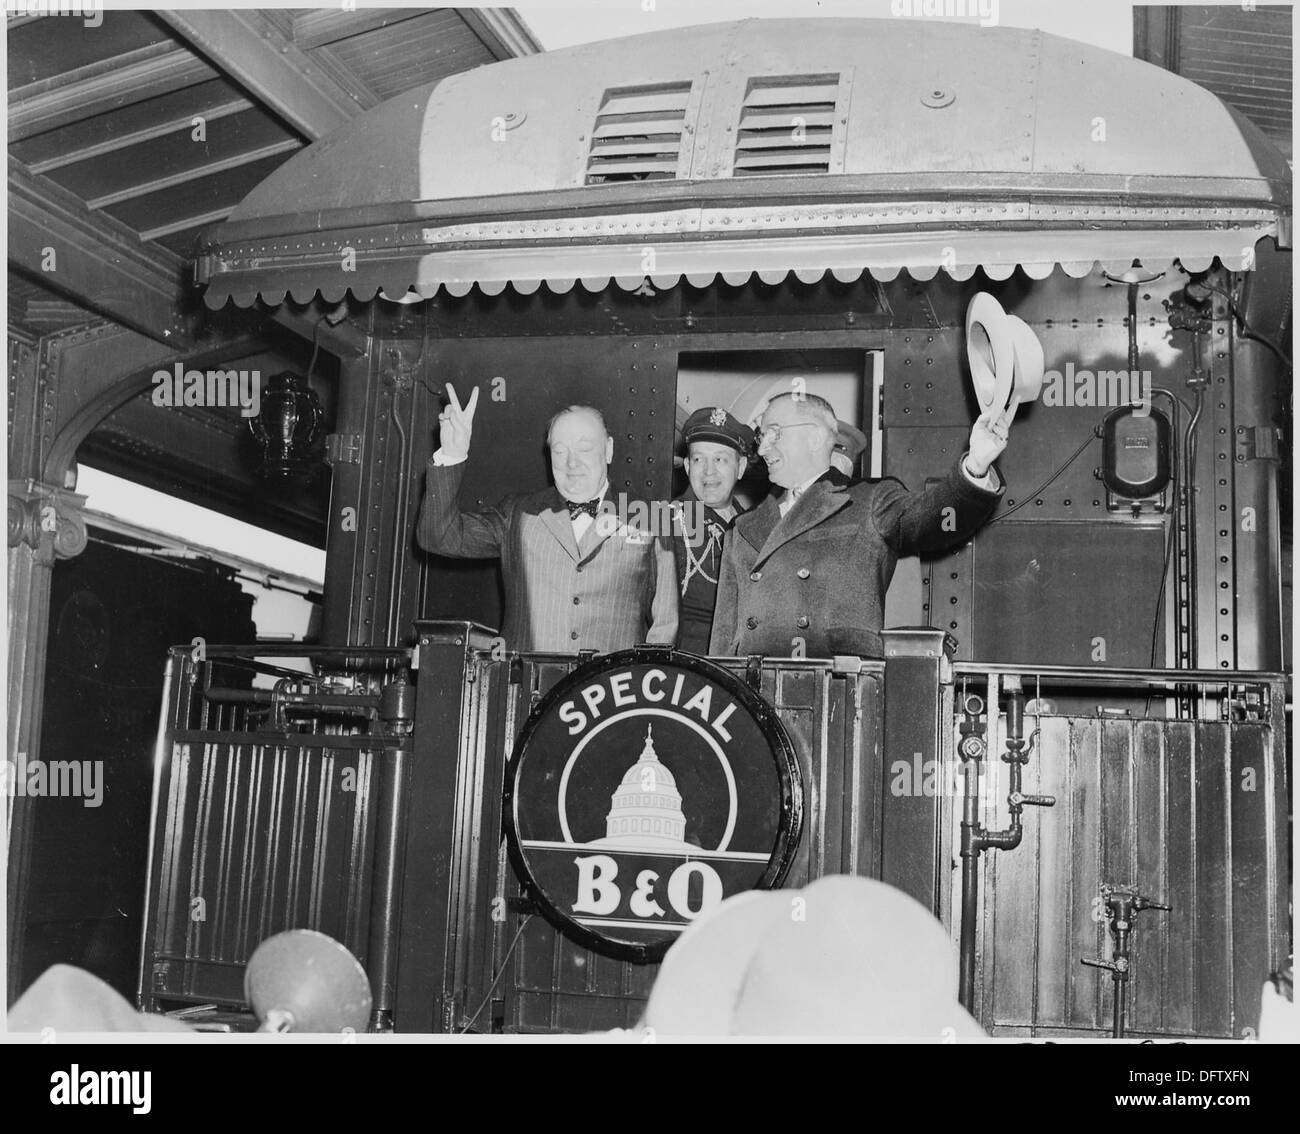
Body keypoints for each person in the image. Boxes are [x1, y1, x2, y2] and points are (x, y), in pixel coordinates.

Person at [709, 391, 1006, 659]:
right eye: (762, 438)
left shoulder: (869, 501)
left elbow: (933, 518)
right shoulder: (742, 526)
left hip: (838, 684)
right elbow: (723, 641)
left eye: (774, 435)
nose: (762, 450)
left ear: (814, 438)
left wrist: (976, 466)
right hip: (751, 690)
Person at [417, 386, 677, 653]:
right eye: (560, 451)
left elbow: (665, 627)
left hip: (611, 691)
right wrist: (451, 454)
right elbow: (438, 536)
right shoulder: (518, 514)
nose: (571, 462)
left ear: (608, 450)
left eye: (584, 448)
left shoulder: (650, 520)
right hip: (530, 689)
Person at [666, 407, 754, 654]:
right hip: (691, 665)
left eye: (720, 459)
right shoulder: (667, 522)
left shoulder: (755, 527)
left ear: (741, 467)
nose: (708, 471)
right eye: (698, 459)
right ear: (686, 466)